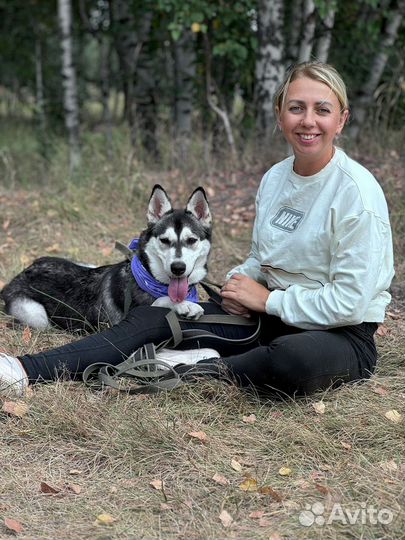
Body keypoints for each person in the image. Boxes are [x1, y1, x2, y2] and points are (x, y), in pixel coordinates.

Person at [0, 62, 394, 398]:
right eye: (296, 108)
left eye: (322, 109)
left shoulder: (357, 194)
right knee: (155, 318)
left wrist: (268, 301)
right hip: (267, 315)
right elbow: (264, 256)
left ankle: (199, 363)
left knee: (291, 359)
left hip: (340, 334)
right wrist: (243, 280)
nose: (308, 120)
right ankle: (23, 369)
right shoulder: (275, 179)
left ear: (341, 119)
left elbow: (351, 304)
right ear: (280, 116)